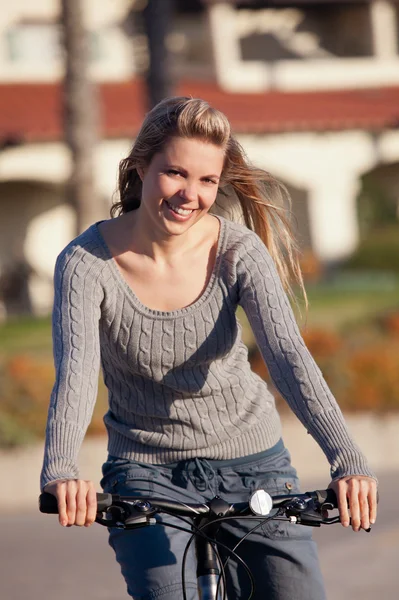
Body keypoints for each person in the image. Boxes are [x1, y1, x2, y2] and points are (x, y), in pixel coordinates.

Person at [41, 96, 378, 600]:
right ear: (140, 166)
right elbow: (76, 375)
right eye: (175, 173)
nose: (190, 195)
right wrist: (62, 471)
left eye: (207, 181)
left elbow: (287, 357)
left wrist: (348, 460)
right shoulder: (86, 263)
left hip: (254, 465)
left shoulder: (239, 251)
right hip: (147, 476)